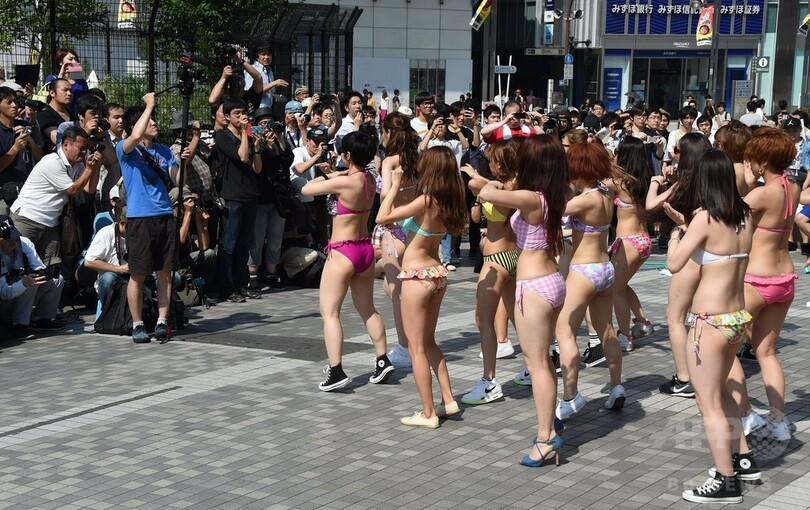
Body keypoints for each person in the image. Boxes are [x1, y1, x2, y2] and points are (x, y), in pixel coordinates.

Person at [665, 150, 754, 504]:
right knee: (724, 396)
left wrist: (677, 232)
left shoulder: (705, 217)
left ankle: (725, 480)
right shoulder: (744, 216)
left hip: (710, 322)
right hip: (735, 317)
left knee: (708, 403)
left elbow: (674, 263)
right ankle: (739, 460)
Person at [478, 135, 568, 466]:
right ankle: (550, 420)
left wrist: (489, 182)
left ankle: (545, 438)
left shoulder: (531, 198)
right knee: (544, 361)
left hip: (533, 287)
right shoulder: (555, 194)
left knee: (537, 363)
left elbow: (487, 194)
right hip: (552, 280)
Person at [375, 146, 467, 429]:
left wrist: (395, 184)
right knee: (429, 343)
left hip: (416, 277)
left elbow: (381, 217)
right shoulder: (450, 201)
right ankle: (448, 400)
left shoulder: (426, 200)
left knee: (416, 350)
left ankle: (428, 413)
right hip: (436, 273)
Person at [301, 131, 391, 390]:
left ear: (348, 155)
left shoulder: (344, 182)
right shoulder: (370, 178)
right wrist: (337, 173)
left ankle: (336, 370)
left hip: (342, 251)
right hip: (364, 249)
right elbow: (351, 180)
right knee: (368, 309)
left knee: (330, 313)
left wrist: (331, 175)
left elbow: (305, 188)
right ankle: (382, 359)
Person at [726, 128, 799, 442]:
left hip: (756, 280)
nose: (749, 162)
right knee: (766, 352)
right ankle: (778, 421)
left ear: (763, 161)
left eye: (752, 158)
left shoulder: (760, 194)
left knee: (724, 350)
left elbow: (725, 220)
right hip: (785, 280)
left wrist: (744, 182)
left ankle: (746, 415)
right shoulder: (792, 187)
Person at [555, 141, 625, 419]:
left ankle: (570, 395)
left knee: (564, 331)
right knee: (606, 330)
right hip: (605, 268)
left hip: (584, 271)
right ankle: (616, 386)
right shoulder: (606, 195)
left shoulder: (585, 200)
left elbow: (550, 211)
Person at [648, 133, 712, 397]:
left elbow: (651, 205)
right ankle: (705, 372)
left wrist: (655, 183)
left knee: (675, 318)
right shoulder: (715, 183)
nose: (674, 153)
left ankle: (684, 378)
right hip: (713, 257)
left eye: (678, 150)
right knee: (703, 318)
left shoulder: (684, 183)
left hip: (688, 254)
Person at [459, 140, 519, 406]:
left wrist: (479, 179)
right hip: (515, 257)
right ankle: (532, 367)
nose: (489, 164)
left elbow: (478, 186)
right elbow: (478, 198)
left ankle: (489, 381)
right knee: (519, 319)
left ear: (501, 163)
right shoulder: (519, 186)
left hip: (496, 259)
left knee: (483, 320)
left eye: (492, 160)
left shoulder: (501, 188)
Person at [118, 93, 178, 343]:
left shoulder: (164, 151)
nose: (154, 123)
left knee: (165, 272)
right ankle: (138, 323)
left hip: (165, 215)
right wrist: (149, 105)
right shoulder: (125, 150)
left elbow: (178, 179)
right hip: (140, 218)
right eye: (149, 119)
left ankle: (163, 321)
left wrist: (186, 157)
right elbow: (134, 137)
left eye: (154, 119)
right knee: (138, 274)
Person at [10, 125, 101, 266]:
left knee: (52, 267)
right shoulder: (52, 161)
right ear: (66, 145)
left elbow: (89, 189)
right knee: (19, 263)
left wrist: (96, 167)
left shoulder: (77, 165)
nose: (84, 152)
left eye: (86, 149)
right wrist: (89, 169)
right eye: (81, 148)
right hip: (27, 219)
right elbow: (73, 190)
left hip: (50, 224)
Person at [376, 112, 421, 369]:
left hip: (394, 228)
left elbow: (385, 196)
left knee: (396, 291)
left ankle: (405, 347)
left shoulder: (390, 161)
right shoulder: (417, 157)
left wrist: (392, 186)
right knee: (394, 286)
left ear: (389, 132)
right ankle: (413, 341)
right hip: (414, 225)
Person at [603, 137, 653, 354]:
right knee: (622, 285)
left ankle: (625, 335)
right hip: (644, 241)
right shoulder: (646, 180)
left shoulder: (620, 182)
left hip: (628, 243)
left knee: (616, 291)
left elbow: (598, 179)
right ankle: (642, 322)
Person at [213, 97, 263, 303]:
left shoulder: (247, 138)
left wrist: (256, 147)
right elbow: (241, 157)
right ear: (227, 117)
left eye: (244, 113)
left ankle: (242, 284)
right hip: (232, 196)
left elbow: (257, 168)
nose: (242, 117)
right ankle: (227, 287)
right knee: (229, 243)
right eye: (237, 114)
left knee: (244, 244)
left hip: (250, 195)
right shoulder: (222, 137)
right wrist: (244, 133)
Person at [0, 214, 64, 339]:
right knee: (29, 284)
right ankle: (18, 325)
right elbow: (3, 293)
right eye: (8, 239)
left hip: (16, 291)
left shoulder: (23, 243)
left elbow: (38, 268)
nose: (13, 242)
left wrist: (46, 273)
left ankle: (40, 318)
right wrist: (24, 283)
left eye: (14, 237)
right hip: (4, 299)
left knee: (56, 280)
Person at [0, 86, 44, 216]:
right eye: (9, 102)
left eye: (15, 101)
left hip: (27, 191)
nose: (14, 105)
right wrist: (15, 147)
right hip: (5, 194)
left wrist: (30, 140)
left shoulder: (25, 126)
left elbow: (41, 159)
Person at [83, 203, 129, 318]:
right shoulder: (106, 232)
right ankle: (107, 311)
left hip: (134, 275)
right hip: (115, 277)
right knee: (108, 278)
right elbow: (89, 261)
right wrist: (118, 269)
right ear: (122, 223)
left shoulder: (139, 234)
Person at [243, 41, 289, 109]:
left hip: (267, 110)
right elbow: (251, 93)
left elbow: (268, 93)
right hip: (256, 110)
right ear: (257, 56)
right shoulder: (252, 70)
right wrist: (273, 83)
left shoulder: (270, 71)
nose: (266, 57)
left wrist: (278, 97)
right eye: (263, 54)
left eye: (269, 54)